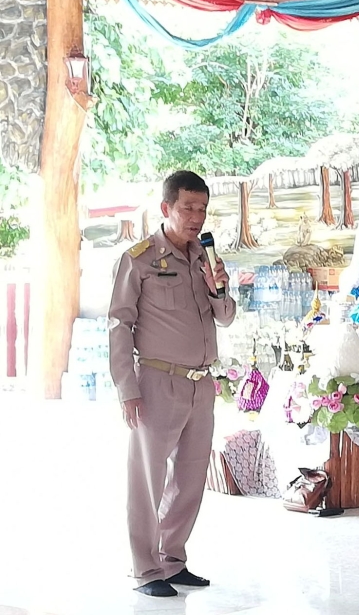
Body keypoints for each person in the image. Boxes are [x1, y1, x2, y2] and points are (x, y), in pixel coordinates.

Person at [109, 171, 236, 596]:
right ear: (166, 208)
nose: (197, 217)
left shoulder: (205, 257)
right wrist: (128, 388)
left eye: (202, 209)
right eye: (188, 208)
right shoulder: (139, 258)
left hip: (201, 385)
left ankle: (172, 559)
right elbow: (119, 325)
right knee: (148, 480)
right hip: (157, 382)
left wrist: (220, 288)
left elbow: (226, 316)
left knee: (190, 477)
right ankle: (146, 570)